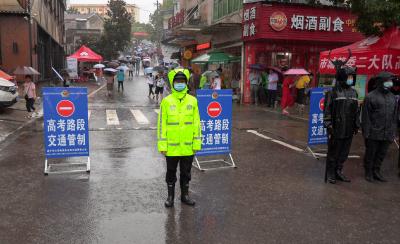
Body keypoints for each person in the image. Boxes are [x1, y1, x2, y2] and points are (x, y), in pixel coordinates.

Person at [157, 68, 202, 208]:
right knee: (170, 172)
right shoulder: (166, 101)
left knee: (186, 173)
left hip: (188, 146)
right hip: (171, 147)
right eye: (177, 81)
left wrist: (197, 143)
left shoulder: (193, 101)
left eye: (183, 81)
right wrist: (162, 146)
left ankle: (185, 195)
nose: (180, 84)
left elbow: (196, 123)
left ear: (186, 82)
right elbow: (161, 125)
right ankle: (170, 197)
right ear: (173, 83)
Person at [323, 67, 359, 184]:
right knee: (334, 153)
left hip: (349, 129)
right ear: (342, 77)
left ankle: (338, 171)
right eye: (348, 77)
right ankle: (330, 173)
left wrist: (356, 124)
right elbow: (327, 111)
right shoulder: (333, 92)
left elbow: (356, 111)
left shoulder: (354, 92)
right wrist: (328, 125)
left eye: (352, 77)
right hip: (336, 129)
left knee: (344, 153)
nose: (350, 79)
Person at [362, 71, 398, 182]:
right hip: (374, 132)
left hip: (387, 132)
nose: (390, 83)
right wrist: (366, 133)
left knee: (381, 154)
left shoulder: (393, 97)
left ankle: (376, 171)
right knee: (371, 153)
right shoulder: (370, 97)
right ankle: (368, 172)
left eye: (391, 81)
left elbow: (395, 116)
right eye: (388, 81)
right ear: (381, 82)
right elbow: (366, 117)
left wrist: (393, 132)